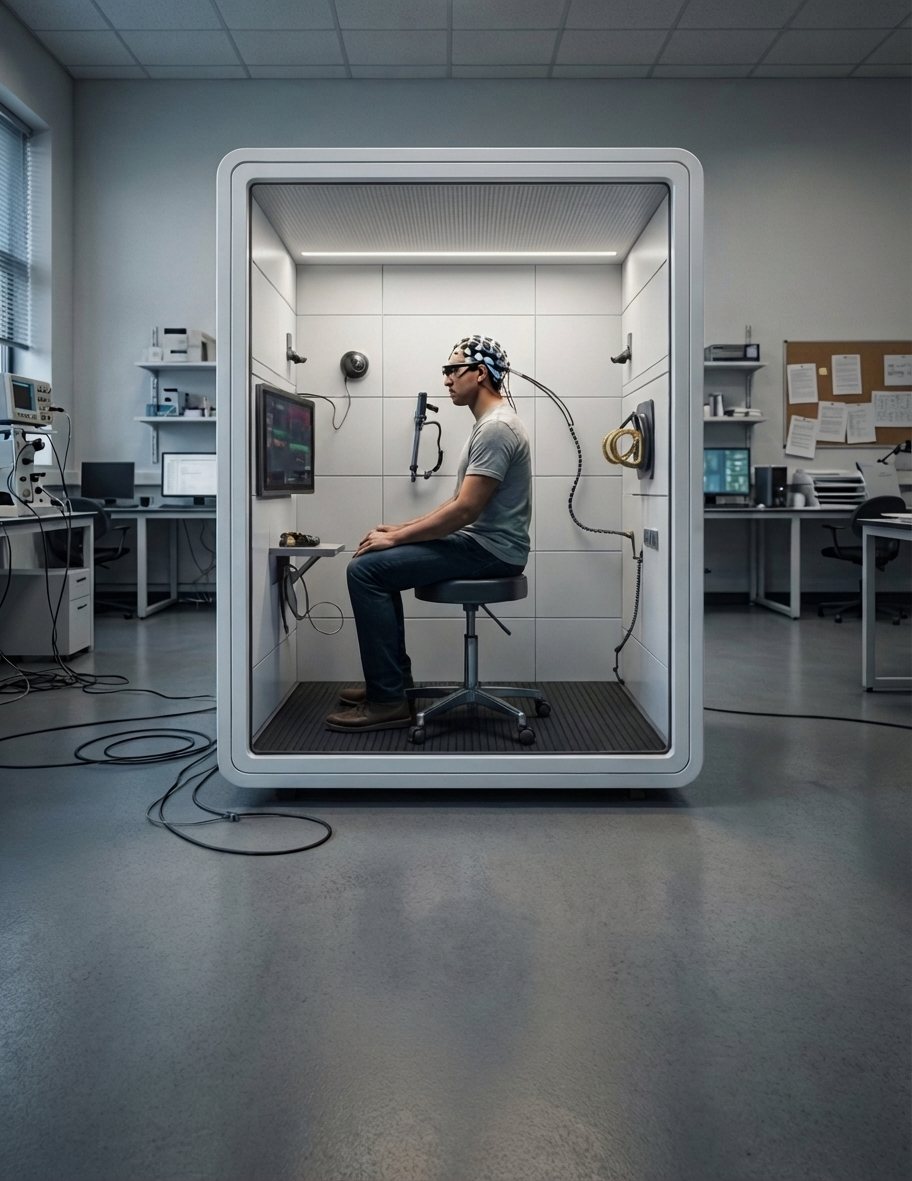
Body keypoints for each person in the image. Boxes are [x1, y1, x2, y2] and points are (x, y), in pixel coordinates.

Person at [326, 336, 532, 733]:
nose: (446, 380)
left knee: (365, 572)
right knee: (373, 563)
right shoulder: (488, 425)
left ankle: (387, 700)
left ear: (480, 372)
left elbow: (465, 511)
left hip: (493, 551)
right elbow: (459, 501)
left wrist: (398, 540)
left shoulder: (496, 429)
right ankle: (392, 686)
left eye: (452, 370)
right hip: (482, 543)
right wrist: (401, 528)